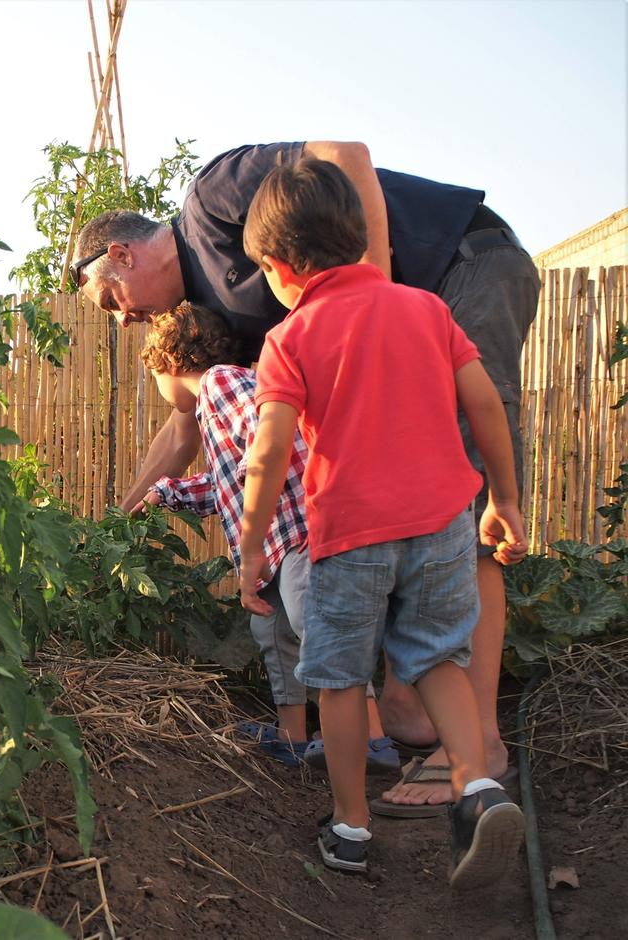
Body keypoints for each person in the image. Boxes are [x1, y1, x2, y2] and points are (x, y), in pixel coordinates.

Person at [74, 141, 538, 811]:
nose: (120, 318)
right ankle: (415, 712)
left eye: (109, 300)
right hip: (409, 312)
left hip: (461, 264)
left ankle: (482, 746)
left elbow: (341, 152)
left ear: (120, 254)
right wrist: (118, 519)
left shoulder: (208, 202)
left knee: (459, 499)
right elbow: (186, 424)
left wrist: (368, 294)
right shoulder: (225, 319)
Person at [236, 156, 525, 888]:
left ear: (278, 267)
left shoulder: (290, 339)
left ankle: (351, 826)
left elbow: (268, 452)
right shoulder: (426, 309)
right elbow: (485, 404)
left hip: (350, 535)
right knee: (436, 660)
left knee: (337, 680)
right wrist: (505, 500)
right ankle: (478, 787)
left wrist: (249, 551)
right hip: (441, 525)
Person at [134, 302, 399, 772]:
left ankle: (372, 737)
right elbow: (228, 483)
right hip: (273, 547)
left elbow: (266, 445)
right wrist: (166, 492)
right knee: (274, 634)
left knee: (315, 628)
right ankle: (293, 736)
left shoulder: (218, 382)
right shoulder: (219, 404)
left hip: (300, 531)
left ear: (170, 363)